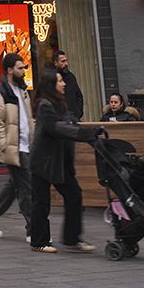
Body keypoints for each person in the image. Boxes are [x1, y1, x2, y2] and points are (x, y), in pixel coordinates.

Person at [24, 69, 102, 253]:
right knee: (41, 202)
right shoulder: (44, 105)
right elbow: (56, 128)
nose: (64, 83)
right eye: (60, 81)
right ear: (52, 85)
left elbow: (67, 124)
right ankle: (39, 241)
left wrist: (85, 132)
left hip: (60, 161)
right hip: (44, 161)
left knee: (74, 195)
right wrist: (83, 134)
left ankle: (72, 239)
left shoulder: (60, 104)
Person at [0, 53, 32, 238]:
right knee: (27, 188)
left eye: (24, 67)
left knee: (14, 185)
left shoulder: (23, 91)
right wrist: (4, 145)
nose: (23, 71)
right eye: (20, 68)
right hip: (14, 148)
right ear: (9, 70)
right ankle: (33, 230)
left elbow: (27, 118)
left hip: (26, 145)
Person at [53, 50, 85, 120]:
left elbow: (79, 96)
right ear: (56, 63)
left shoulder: (71, 77)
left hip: (74, 117)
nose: (66, 63)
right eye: (63, 61)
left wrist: (78, 112)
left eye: (66, 61)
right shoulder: (52, 78)